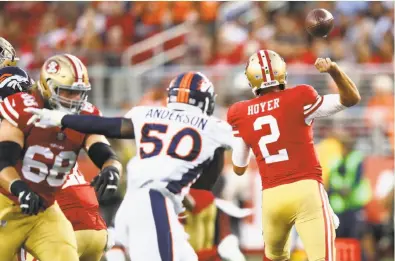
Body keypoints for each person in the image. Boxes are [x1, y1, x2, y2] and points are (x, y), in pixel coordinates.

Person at [26, 71, 246, 261]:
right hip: (154, 202)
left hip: (137, 201)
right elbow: (212, 178)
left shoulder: (147, 113)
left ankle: (118, 246)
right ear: (205, 101)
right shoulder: (214, 127)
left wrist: (62, 118)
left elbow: (108, 126)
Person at [226, 50, 360, 261]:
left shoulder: (239, 113)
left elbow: (239, 168)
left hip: (272, 198)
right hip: (307, 191)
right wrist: (334, 71)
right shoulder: (300, 96)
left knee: (274, 257)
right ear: (282, 72)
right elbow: (351, 98)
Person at [0, 53, 122, 261]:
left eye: (78, 93)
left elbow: (104, 151)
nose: (73, 100)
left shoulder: (85, 116)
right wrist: (20, 189)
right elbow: (3, 161)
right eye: (67, 91)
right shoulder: (23, 107)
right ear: (48, 86)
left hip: (44, 210)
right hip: (6, 204)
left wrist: (112, 168)